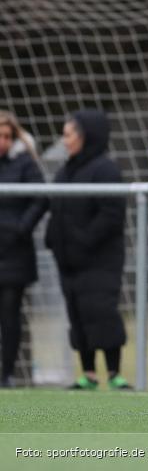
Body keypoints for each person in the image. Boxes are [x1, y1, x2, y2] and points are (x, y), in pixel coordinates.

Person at [45, 110, 131, 390]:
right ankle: (89, 374)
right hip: (69, 261)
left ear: (87, 136)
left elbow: (110, 215)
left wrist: (83, 239)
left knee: (101, 312)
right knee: (78, 314)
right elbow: (55, 209)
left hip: (99, 260)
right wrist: (54, 240)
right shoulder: (64, 172)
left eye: (69, 134)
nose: (65, 140)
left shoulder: (105, 170)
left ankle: (115, 374)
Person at [0, 111, 47, 388]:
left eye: (7, 136)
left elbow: (40, 198)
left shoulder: (25, 163)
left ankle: (7, 374)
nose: (2, 142)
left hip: (15, 251)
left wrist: (21, 228)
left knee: (10, 314)